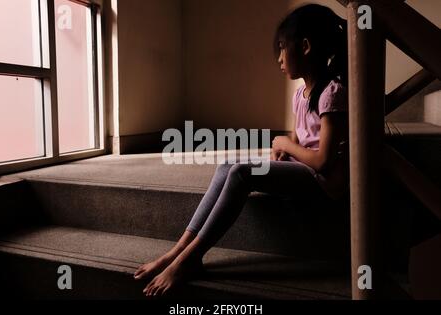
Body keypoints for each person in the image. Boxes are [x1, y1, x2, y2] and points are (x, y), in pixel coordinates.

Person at [134, 4, 349, 297]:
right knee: (227, 166)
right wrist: (287, 150)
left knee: (241, 173)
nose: (279, 58)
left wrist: (285, 144)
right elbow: (305, 140)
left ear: (306, 47)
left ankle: (191, 258)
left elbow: (323, 159)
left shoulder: (332, 92)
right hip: (306, 170)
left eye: (283, 48)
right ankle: (177, 251)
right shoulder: (302, 93)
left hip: (325, 182)